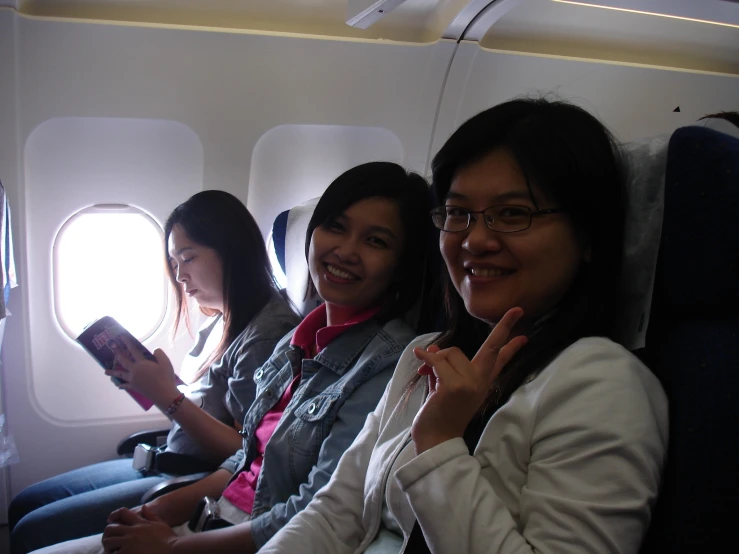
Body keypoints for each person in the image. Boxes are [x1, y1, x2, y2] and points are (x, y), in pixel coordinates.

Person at [259, 98, 670, 553]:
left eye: (513, 213)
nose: (474, 240)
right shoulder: (429, 352)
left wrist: (438, 445)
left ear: (587, 235)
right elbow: (336, 510)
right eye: (458, 214)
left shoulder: (601, 385)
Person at [31, 161, 433, 554]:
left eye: (375, 240)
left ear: (401, 265)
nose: (345, 251)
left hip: (247, 532)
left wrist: (172, 543)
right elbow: (248, 454)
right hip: (213, 513)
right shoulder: (295, 340)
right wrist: (166, 507)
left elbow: (318, 511)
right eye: (336, 227)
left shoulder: (389, 366)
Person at [10, 190, 301, 553]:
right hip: (168, 456)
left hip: (195, 474)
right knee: (24, 503)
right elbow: (214, 405)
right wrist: (151, 382)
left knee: (30, 531)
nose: (180, 275)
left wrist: (166, 394)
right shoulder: (222, 319)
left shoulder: (267, 334)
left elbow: (248, 452)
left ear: (232, 251)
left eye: (188, 258)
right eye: (174, 262)